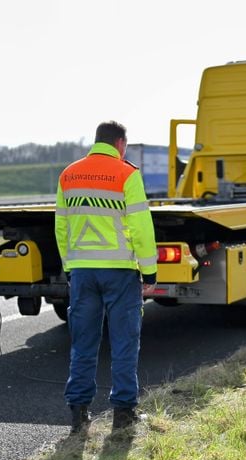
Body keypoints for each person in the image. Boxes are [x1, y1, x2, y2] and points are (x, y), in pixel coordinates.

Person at [54, 121, 157, 433]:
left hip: (83, 272)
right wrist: (149, 268)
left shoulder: (68, 174)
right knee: (124, 342)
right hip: (121, 272)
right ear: (120, 143)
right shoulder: (127, 174)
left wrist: (70, 266)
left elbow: (61, 227)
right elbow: (140, 226)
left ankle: (78, 412)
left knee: (83, 343)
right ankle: (123, 414)